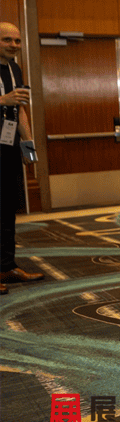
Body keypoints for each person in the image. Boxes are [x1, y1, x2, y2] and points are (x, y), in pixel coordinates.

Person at [0, 22, 44, 295]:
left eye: (17, 41)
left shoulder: (15, 69)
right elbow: (8, 102)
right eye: (7, 40)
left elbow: (21, 111)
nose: (14, 45)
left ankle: (6, 267)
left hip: (9, 148)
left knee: (7, 210)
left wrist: (29, 148)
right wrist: (2, 100)